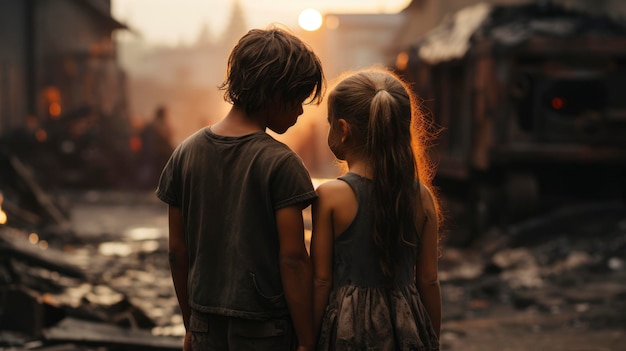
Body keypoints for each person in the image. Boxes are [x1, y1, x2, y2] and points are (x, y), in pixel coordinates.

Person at [156, 26, 325, 351]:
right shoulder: (281, 163)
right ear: (274, 94)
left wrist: (191, 324)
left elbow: (178, 252)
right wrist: (306, 339)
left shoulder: (185, 154)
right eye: (298, 99)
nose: (301, 111)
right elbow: (292, 258)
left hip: (205, 321)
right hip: (264, 328)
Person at [310, 67, 442, 350]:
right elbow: (429, 280)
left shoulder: (331, 197)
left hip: (349, 329)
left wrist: (307, 342)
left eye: (329, 122)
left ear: (342, 130)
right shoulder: (422, 196)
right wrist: (433, 339)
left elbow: (321, 281)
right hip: (406, 327)